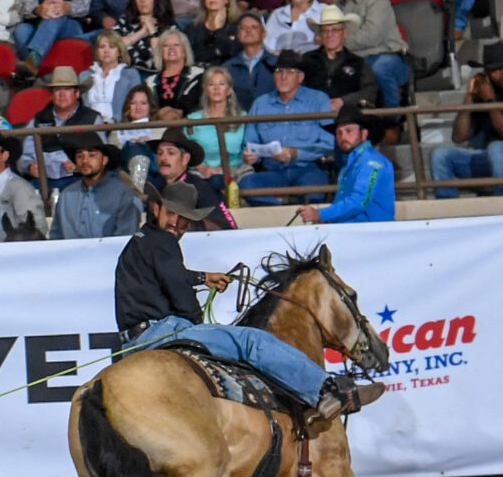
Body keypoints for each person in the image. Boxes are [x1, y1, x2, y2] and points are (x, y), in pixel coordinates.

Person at [113, 179, 381, 425]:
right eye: (171, 214)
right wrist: (197, 322)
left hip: (134, 341)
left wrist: (201, 277)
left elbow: (163, 275)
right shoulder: (165, 243)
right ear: (157, 208)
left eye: (183, 219)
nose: (175, 223)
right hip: (163, 332)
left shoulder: (143, 241)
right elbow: (179, 294)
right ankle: (326, 391)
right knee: (251, 341)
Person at [242, 58, 336, 192]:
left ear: (300, 77)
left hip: (309, 168)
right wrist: (251, 155)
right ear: (273, 76)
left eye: (290, 72)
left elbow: (330, 143)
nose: (283, 77)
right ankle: (281, 206)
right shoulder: (261, 103)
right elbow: (249, 143)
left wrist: (297, 153)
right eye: (279, 71)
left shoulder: (319, 100)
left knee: (313, 192)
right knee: (247, 185)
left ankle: (283, 205)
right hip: (272, 169)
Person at [48, 130, 140, 239]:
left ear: (104, 160)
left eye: (91, 155)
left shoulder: (124, 194)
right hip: (71, 255)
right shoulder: (66, 195)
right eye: (80, 156)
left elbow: (126, 238)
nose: (85, 160)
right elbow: (56, 237)